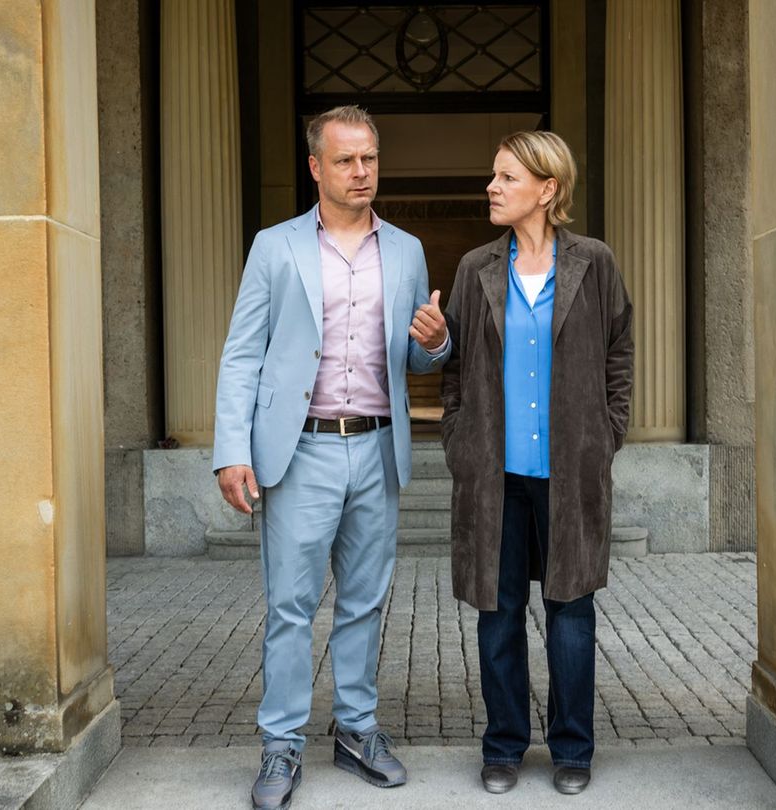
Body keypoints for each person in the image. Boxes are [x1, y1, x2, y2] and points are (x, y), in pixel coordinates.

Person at [213, 104, 450, 810]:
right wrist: (231, 450)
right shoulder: (274, 246)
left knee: (365, 603)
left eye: (370, 158)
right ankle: (282, 743)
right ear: (315, 167)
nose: (361, 172)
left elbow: (412, 354)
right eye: (346, 160)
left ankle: (356, 732)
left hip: (377, 446)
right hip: (300, 451)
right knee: (290, 606)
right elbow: (242, 355)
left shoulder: (404, 250)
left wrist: (435, 342)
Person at [440, 131, 633, 796]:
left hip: (569, 470)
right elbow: (457, 367)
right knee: (497, 617)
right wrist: (459, 437)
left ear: (547, 190)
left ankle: (573, 750)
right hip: (494, 472)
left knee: (570, 615)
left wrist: (608, 431)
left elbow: (618, 352)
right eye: (492, 176)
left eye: (506, 177)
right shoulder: (474, 270)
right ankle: (504, 746)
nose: (491, 187)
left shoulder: (594, 263)